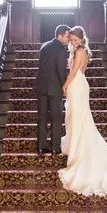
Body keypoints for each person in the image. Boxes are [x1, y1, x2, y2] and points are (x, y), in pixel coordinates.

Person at [58, 26, 107, 197]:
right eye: (71, 40)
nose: (72, 43)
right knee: (75, 117)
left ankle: (79, 152)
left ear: (81, 39)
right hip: (79, 84)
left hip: (76, 84)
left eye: (74, 40)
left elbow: (74, 72)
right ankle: (75, 146)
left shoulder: (80, 51)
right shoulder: (81, 50)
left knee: (79, 118)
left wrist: (65, 85)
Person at [36, 24, 70, 155]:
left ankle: (41, 147)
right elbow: (61, 71)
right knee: (56, 117)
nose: (68, 39)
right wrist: (64, 86)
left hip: (41, 86)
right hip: (55, 88)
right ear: (59, 36)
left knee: (42, 117)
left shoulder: (44, 46)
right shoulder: (61, 50)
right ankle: (55, 148)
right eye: (66, 36)